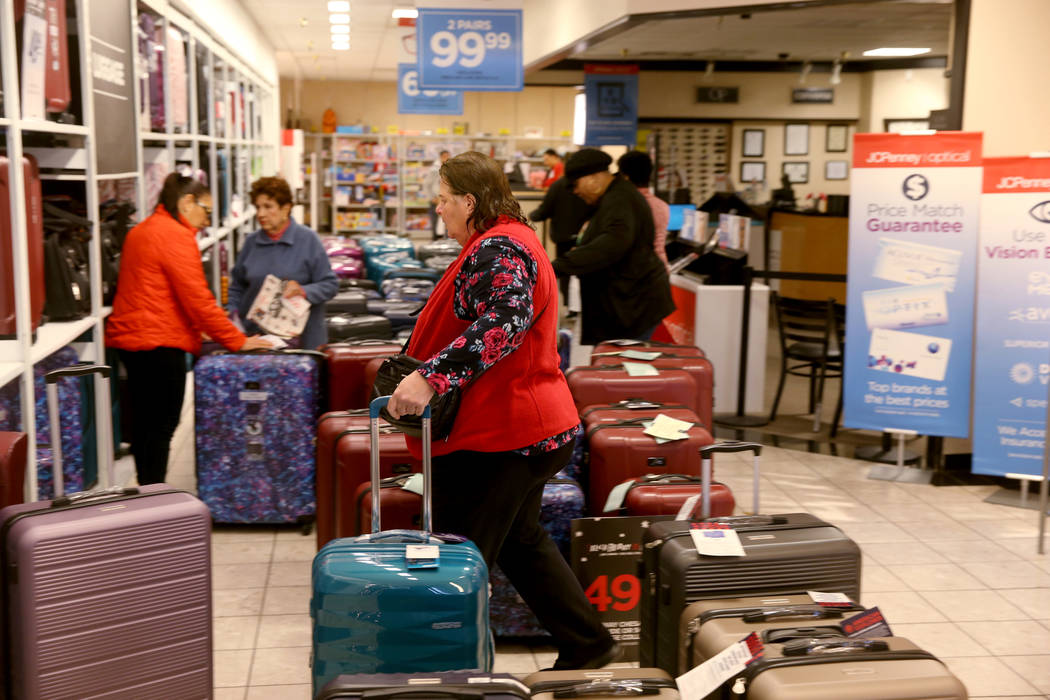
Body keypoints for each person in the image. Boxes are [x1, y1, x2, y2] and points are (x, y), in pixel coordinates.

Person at [385, 151, 619, 670]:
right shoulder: (513, 239)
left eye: (444, 199)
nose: (438, 208)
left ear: (470, 202)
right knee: (520, 539)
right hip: (531, 428)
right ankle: (588, 644)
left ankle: (442, 672)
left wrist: (430, 377)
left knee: (457, 560)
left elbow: (506, 318)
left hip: (500, 436)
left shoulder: (501, 249)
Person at [106, 173, 272, 486]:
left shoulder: (144, 230)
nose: (207, 220)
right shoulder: (173, 235)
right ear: (186, 202)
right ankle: (156, 496)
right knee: (162, 425)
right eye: (206, 211)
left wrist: (202, 329)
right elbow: (197, 298)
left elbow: (164, 293)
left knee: (145, 425)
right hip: (158, 343)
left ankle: (150, 490)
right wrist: (237, 341)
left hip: (135, 340)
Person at [551, 148, 675, 345]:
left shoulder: (620, 199)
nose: (575, 191)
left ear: (593, 177)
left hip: (634, 306)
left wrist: (554, 267)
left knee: (624, 368)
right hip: (626, 305)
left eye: (575, 185)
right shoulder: (615, 196)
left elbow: (611, 245)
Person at [227, 176, 338, 350]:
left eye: (268, 207)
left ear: (286, 208)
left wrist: (303, 291)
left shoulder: (308, 240)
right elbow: (237, 286)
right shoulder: (251, 242)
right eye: (257, 207)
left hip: (301, 342)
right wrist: (233, 315)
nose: (260, 214)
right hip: (255, 340)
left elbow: (330, 285)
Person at [529, 175, 595, 305]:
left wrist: (532, 216)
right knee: (585, 269)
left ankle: (568, 304)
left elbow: (544, 210)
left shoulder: (558, 185)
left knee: (565, 269)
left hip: (563, 234)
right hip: (586, 234)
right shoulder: (590, 186)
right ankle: (580, 305)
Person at [618, 150, 671, 271]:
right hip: (659, 270)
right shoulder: (662, 206)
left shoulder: (624, 205)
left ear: (625, 177)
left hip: (633, 273)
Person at [423, 149, 451, 239]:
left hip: (447, 199)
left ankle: (447, 240)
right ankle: (435, 240)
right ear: (440, 157)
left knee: (448, 221)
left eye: (448, 156)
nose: (446, 158)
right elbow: (427, 184)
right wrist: (432, 198)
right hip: (435, 199)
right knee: (435, 222)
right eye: (444, 156)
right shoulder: (434, 170)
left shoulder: (451, 168)